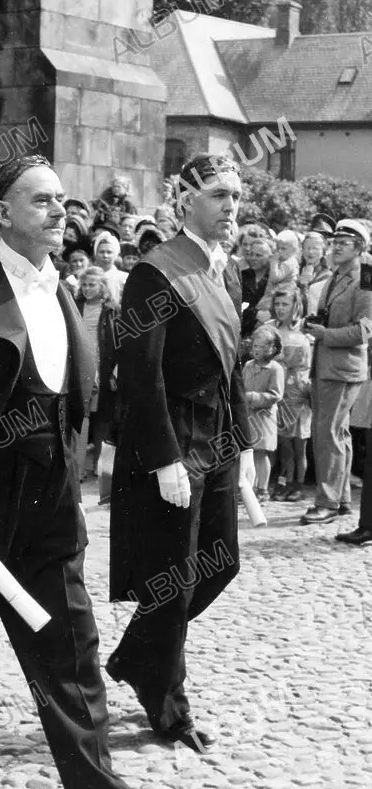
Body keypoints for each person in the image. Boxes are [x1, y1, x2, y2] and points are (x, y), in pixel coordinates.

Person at [0, 153, 187, 789]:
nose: (60, 211)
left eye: (61, 199)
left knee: (72, 647)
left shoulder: (63, 289)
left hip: (53, 503)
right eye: (41, 201)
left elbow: (73, 399)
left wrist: (77, 481)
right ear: (0, 214)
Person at [106, 153, 256, 752]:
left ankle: (137, 656)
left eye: (236, 196)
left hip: (218, 440)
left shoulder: (228, 269)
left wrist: (244, 443)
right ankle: (168, 706)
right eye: (219, 195)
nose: (230, 207)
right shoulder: (155, 272)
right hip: (176, 441)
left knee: (220, 563)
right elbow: (140, 376)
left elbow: (232, 365)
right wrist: (165, 458)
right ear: (185, 201)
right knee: (175, 581)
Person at [301, 220, 372, 525]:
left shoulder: (365, 278)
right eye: (335, 241)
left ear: (360, 247)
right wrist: (316, 325)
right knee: (337, 433)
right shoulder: (337, 275)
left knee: (327, 433)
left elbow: (364, 330)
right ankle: (340, 499)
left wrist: (325, 335)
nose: (337, 246)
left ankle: (327, 502)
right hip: (327, 364)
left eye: (345, 242)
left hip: (342, 368)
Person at [268, 285, 312, 502]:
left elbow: (308, 365)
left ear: (296, 305)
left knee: (299, 444)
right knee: (283, 443)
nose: (280, 308)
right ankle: (283, 482)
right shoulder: (271, 329)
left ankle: (299, 485)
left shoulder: (304, 332)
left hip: (299, 392)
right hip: (279, 390)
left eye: (285, 304)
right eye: (277, 304)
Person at [75, 266, 118, 480]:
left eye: (92, 285)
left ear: (102, 287)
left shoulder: (112, 310)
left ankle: (101, 470)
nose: (87, 289)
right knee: (80, 419)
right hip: (81, 368)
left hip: (104, 369)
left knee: (104, 420)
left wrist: (114, 374)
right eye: (84, 284)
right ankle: (78, 470)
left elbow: (120, 343)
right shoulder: (75, 306)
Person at [243, 325, 285, 500]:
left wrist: (253, 397)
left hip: (264, 418)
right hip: (248, 416)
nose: (257, 350)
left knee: (262, 453)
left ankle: (263, 489)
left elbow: (276, 395)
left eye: (261, 347)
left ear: (272, 349)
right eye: (255, 346)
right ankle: (248, 488)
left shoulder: (275, 369)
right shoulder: (248, 365)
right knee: (249, 452)